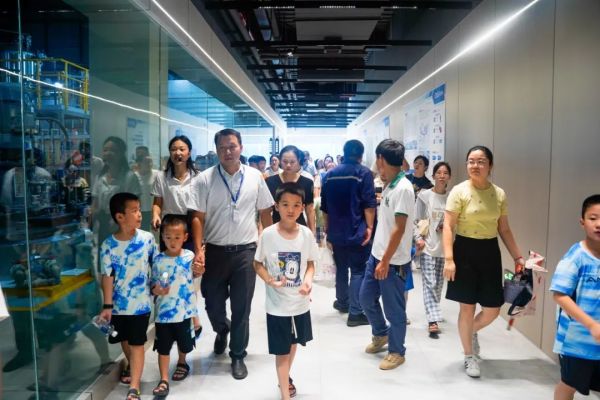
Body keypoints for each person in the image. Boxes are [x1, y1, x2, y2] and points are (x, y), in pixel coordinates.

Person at [189, 128, 274, 380]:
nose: (228, 151)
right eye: (223, 147)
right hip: (215, 251)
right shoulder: (204, 179)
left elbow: (265, 212)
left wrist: (269, 246)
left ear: (241, 148)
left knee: (241, 307)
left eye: (232, 146)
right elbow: (197, 217)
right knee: (212, 302)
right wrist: (198, 250)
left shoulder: (255, 177)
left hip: (246, 252)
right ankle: (222, 329)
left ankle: (238, 354)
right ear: (217, 150)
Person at [442, 145, 524, 378]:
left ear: (490, 166)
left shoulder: (499, 194)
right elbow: (448, 225)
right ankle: (469, 355)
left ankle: (470, 332)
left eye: (480, 161)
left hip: (489, 252)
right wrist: (449, 258)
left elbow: (504, 229)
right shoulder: (459, 191)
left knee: (493, 309)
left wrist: (518, 256)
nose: (475, 165)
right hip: (464, 251)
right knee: (467, 306)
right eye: (471, 161)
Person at [253, 182, 318, 400]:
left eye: (296, 205)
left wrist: (307, 281)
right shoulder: (268, 235)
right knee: (281, 351)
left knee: (293, 343)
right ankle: (285, 394)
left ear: (302, 207)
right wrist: (269, 280)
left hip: (299, 304)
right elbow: (257, 264)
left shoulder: (306, 235)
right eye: (285, 204)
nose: (291, 210)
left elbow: (310, 263)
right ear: (277, 206)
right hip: (277, 305)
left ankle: (284, 378)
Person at [359, 139, 414, 370]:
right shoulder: (390, 184)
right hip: (377, 255)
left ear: (381, 159)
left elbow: (399, 229)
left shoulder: (403, 189)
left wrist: (385, 260)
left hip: (391, 261)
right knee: (365, 298)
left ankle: (397, 351)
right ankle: (381, 334)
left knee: (394, 310)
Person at [99, 192, 158, 400]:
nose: (139, 214)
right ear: (120, 217)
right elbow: (107, 276)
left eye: (139, 209)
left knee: (137, 343)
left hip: (141, 305)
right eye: (134, 211)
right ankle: (132, 366)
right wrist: (107, 306)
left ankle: (134, 386)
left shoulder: (147, 239)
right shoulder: (108, 245)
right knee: (124, 339)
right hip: (118, 306)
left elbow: (156, 266)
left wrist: (158, 286)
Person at [151, 135, 202, 356]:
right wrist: (155, 216)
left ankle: (191, 317)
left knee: (189, 276)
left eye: (182, 149)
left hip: (191, 223)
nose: (177, 153)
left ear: (189, 152)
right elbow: (157, 203)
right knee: (168, 273)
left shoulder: (198, 177)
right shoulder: (161, 177)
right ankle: (169, 314)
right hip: (170, 227)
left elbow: (201, 209)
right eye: (174, 149)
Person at [550, 194, 600, 400]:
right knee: (569, 384)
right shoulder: (576, 256)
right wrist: (592, 325)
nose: (598, 224)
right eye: (593, 218)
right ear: (582, 222)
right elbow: (559, 295)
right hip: (576, 342)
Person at [321, 140, 376, 327]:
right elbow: (369, 204)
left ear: (343, 153)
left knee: (341, 268)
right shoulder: (364, 173)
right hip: (357, 230)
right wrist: (370, 227)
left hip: (336, 231)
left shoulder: (329, 175)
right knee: (358, 270)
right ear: (361, 154)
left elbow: (325, 207)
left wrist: (327, 228)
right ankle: (355, 312)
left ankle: (342, 302)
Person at [150, 215, 197, 397]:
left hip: (184, 312)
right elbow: (152, 283)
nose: (172, 241)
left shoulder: (189, 256)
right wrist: (156, 290)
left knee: (184, 344)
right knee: (163, 347)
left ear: (185, 237)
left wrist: (200, 268)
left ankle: (182, 362)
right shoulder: (158, 259)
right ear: (162, 237)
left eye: (177, 237)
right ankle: (163, 379)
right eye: (168, 237)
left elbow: (196, 274)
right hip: (163, 313)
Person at [414, 161, 451, 339]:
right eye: (439, 172)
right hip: (428, 246)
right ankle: (433, 320)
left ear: (449, 177)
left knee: (438, 285)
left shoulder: (452, 198)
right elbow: (417, 219)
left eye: (445, 173)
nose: (442, 176)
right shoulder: (425, 195)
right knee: (429, 283)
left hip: (445, 249)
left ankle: (434, 312)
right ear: (434, 175)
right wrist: (419, 238)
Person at [92, 137, 141, 252]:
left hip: (123, 225)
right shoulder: (100, 177)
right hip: (103, 225)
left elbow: (135, 206)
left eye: (113, 150)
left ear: (121, 154)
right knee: (104, 257)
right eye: (105, 150)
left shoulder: (129, 177)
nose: (108, 153)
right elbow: (95, 203)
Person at [266, 145, 316, 235]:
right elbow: (266, 211)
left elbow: (309, 210)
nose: (288, 165)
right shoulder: (270, 181)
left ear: (298, 161)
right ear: (280, 161)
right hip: (276, 228)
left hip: (299, 228)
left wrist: (312, 232)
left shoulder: (307, 182)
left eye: (292, 162)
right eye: (285, 162)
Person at [134, 149, 159, 232]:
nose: (149, 164)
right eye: (146, 162)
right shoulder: (134, 176)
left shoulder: (157, 174)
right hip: (140, 210)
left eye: (150, 162)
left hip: (153, 209)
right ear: (140, 163)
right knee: (142, 231)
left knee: (154, 231)